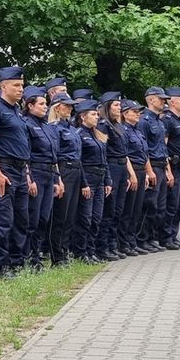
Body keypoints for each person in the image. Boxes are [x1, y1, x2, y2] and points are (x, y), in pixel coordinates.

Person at [0, 66, 32, 279]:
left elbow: (22, 145)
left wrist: (27, 173)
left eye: (22, 85)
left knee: (21, 219)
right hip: (5, 168)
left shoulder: (16, 111)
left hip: (20, 169)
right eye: (16, 85)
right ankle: (2, 266)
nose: (21, 89)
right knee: (4, 219)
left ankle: (16, 260)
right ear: (4, 86)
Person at [24, 87, 63, 271]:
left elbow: (53, 156)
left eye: (46, 103)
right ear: (30, 105)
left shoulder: (47, 126)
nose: (46, 107)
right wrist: (29, 178)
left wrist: (58, 179)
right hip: (36, 173)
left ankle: (37, 255)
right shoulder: (26, 124)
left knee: (44, 218)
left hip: (49, 174)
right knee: (33, 218)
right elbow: (26, 155)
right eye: (41, 104)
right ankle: (29, 257)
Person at [71, 100, 111, 263]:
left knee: (96, 218)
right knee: (85, 218)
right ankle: (81, 252)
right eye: (93, 114)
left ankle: (91, 250)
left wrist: (108, 180)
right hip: (88, 178)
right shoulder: (79, 134)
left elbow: (104, 159)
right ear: (83, 116)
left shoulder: (97, 134)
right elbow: (78, 161)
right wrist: (84, 184)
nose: (97, 117)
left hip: (100, 178)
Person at [48, 93, 85, 266]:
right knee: (60, 215)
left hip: (75, 170)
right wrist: (58, 178)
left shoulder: (70, 127)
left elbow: (79, 156)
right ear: (57, 107)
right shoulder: (54, 128)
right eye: (67, 106)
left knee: (70, 215)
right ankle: (57, 255)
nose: (70, 109)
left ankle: (65, 249)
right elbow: (54, 155)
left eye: (71, 106)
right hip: (64, 169)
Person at [97, 92, 134, 261]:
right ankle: (104, 247)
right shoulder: (103, 125)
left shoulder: (118, 126)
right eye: (116, 105)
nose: (119, 108)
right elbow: (103, 152)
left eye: (120, 105)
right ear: (107, 107)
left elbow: (124, 152)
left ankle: (113, 245)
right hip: (111, 166)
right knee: (109, 210)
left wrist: (128, 173)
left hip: (120, 167)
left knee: (118, 210)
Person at [138, 87, 172, 252]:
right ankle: (142, 239)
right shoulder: (144, 121)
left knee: (160, 206)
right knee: (149, 205)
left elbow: (162, 148)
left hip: (161, 166)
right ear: (150, 99)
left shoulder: (159, 121)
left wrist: (167, 169)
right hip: (151, 166)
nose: (164, 102)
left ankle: (152, 238)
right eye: (161, 99)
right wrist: (149, 170)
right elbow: (144, 149)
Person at [120, 99, 156, 255]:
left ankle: (132, 241)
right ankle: (123, 244)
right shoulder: (123, 131)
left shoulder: (138, 131)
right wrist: (132, 174)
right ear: (125, 113)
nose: (138, 114)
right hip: (132, 170)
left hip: (141, 171)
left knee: (137, 210)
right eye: (134, 111)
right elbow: (125, 155)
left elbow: (144, 154)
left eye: (139, 111)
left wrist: (148, 172)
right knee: (128, 210)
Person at [161, 87, 180, 249]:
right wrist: (168, 170)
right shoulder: (168, 120)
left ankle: (174, 234)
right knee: (172, 204)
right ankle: (166, 237)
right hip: (174, 165)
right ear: (171, 101)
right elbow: (164, 146)